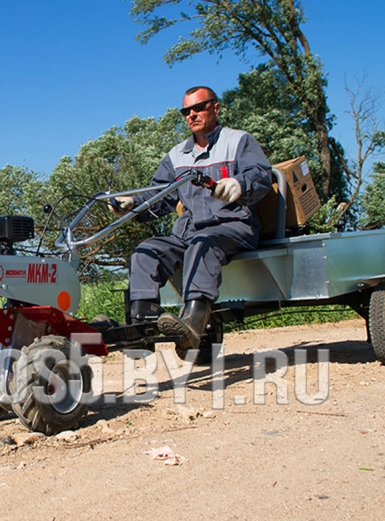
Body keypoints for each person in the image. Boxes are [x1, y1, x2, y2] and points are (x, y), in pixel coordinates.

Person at [110, 86, 273, 354]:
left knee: (202, 243)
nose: (192, 115)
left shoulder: (238, 141)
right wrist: (132, 205)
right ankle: (142, 330)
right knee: (145, 251)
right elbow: (159, 196)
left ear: (216, 108)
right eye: (186, 111)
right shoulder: (177, 156)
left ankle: (192, 327)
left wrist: (239, 184)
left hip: (233, 226)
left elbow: (261, 175)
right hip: (187, 233)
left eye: (198, 108)